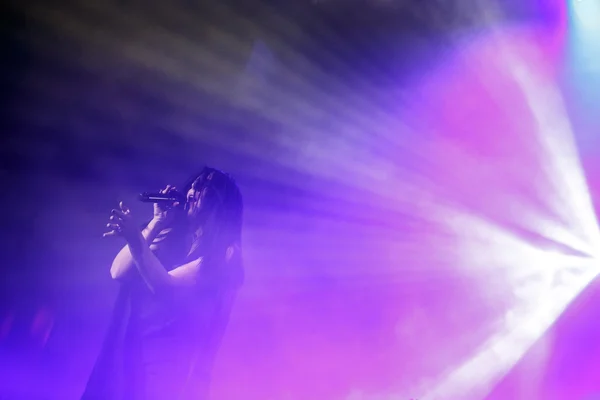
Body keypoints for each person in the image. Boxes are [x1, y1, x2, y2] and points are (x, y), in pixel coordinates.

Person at [82, 166, 244, 400]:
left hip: (168, 365)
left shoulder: (226, 255)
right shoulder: (174, 237)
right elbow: (118, 271)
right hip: (131, 350)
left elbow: (165, 287)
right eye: (193, 184)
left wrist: (135, 239)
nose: (191, 191)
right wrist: (156, 222)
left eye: (202, 186)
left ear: (219, 202)